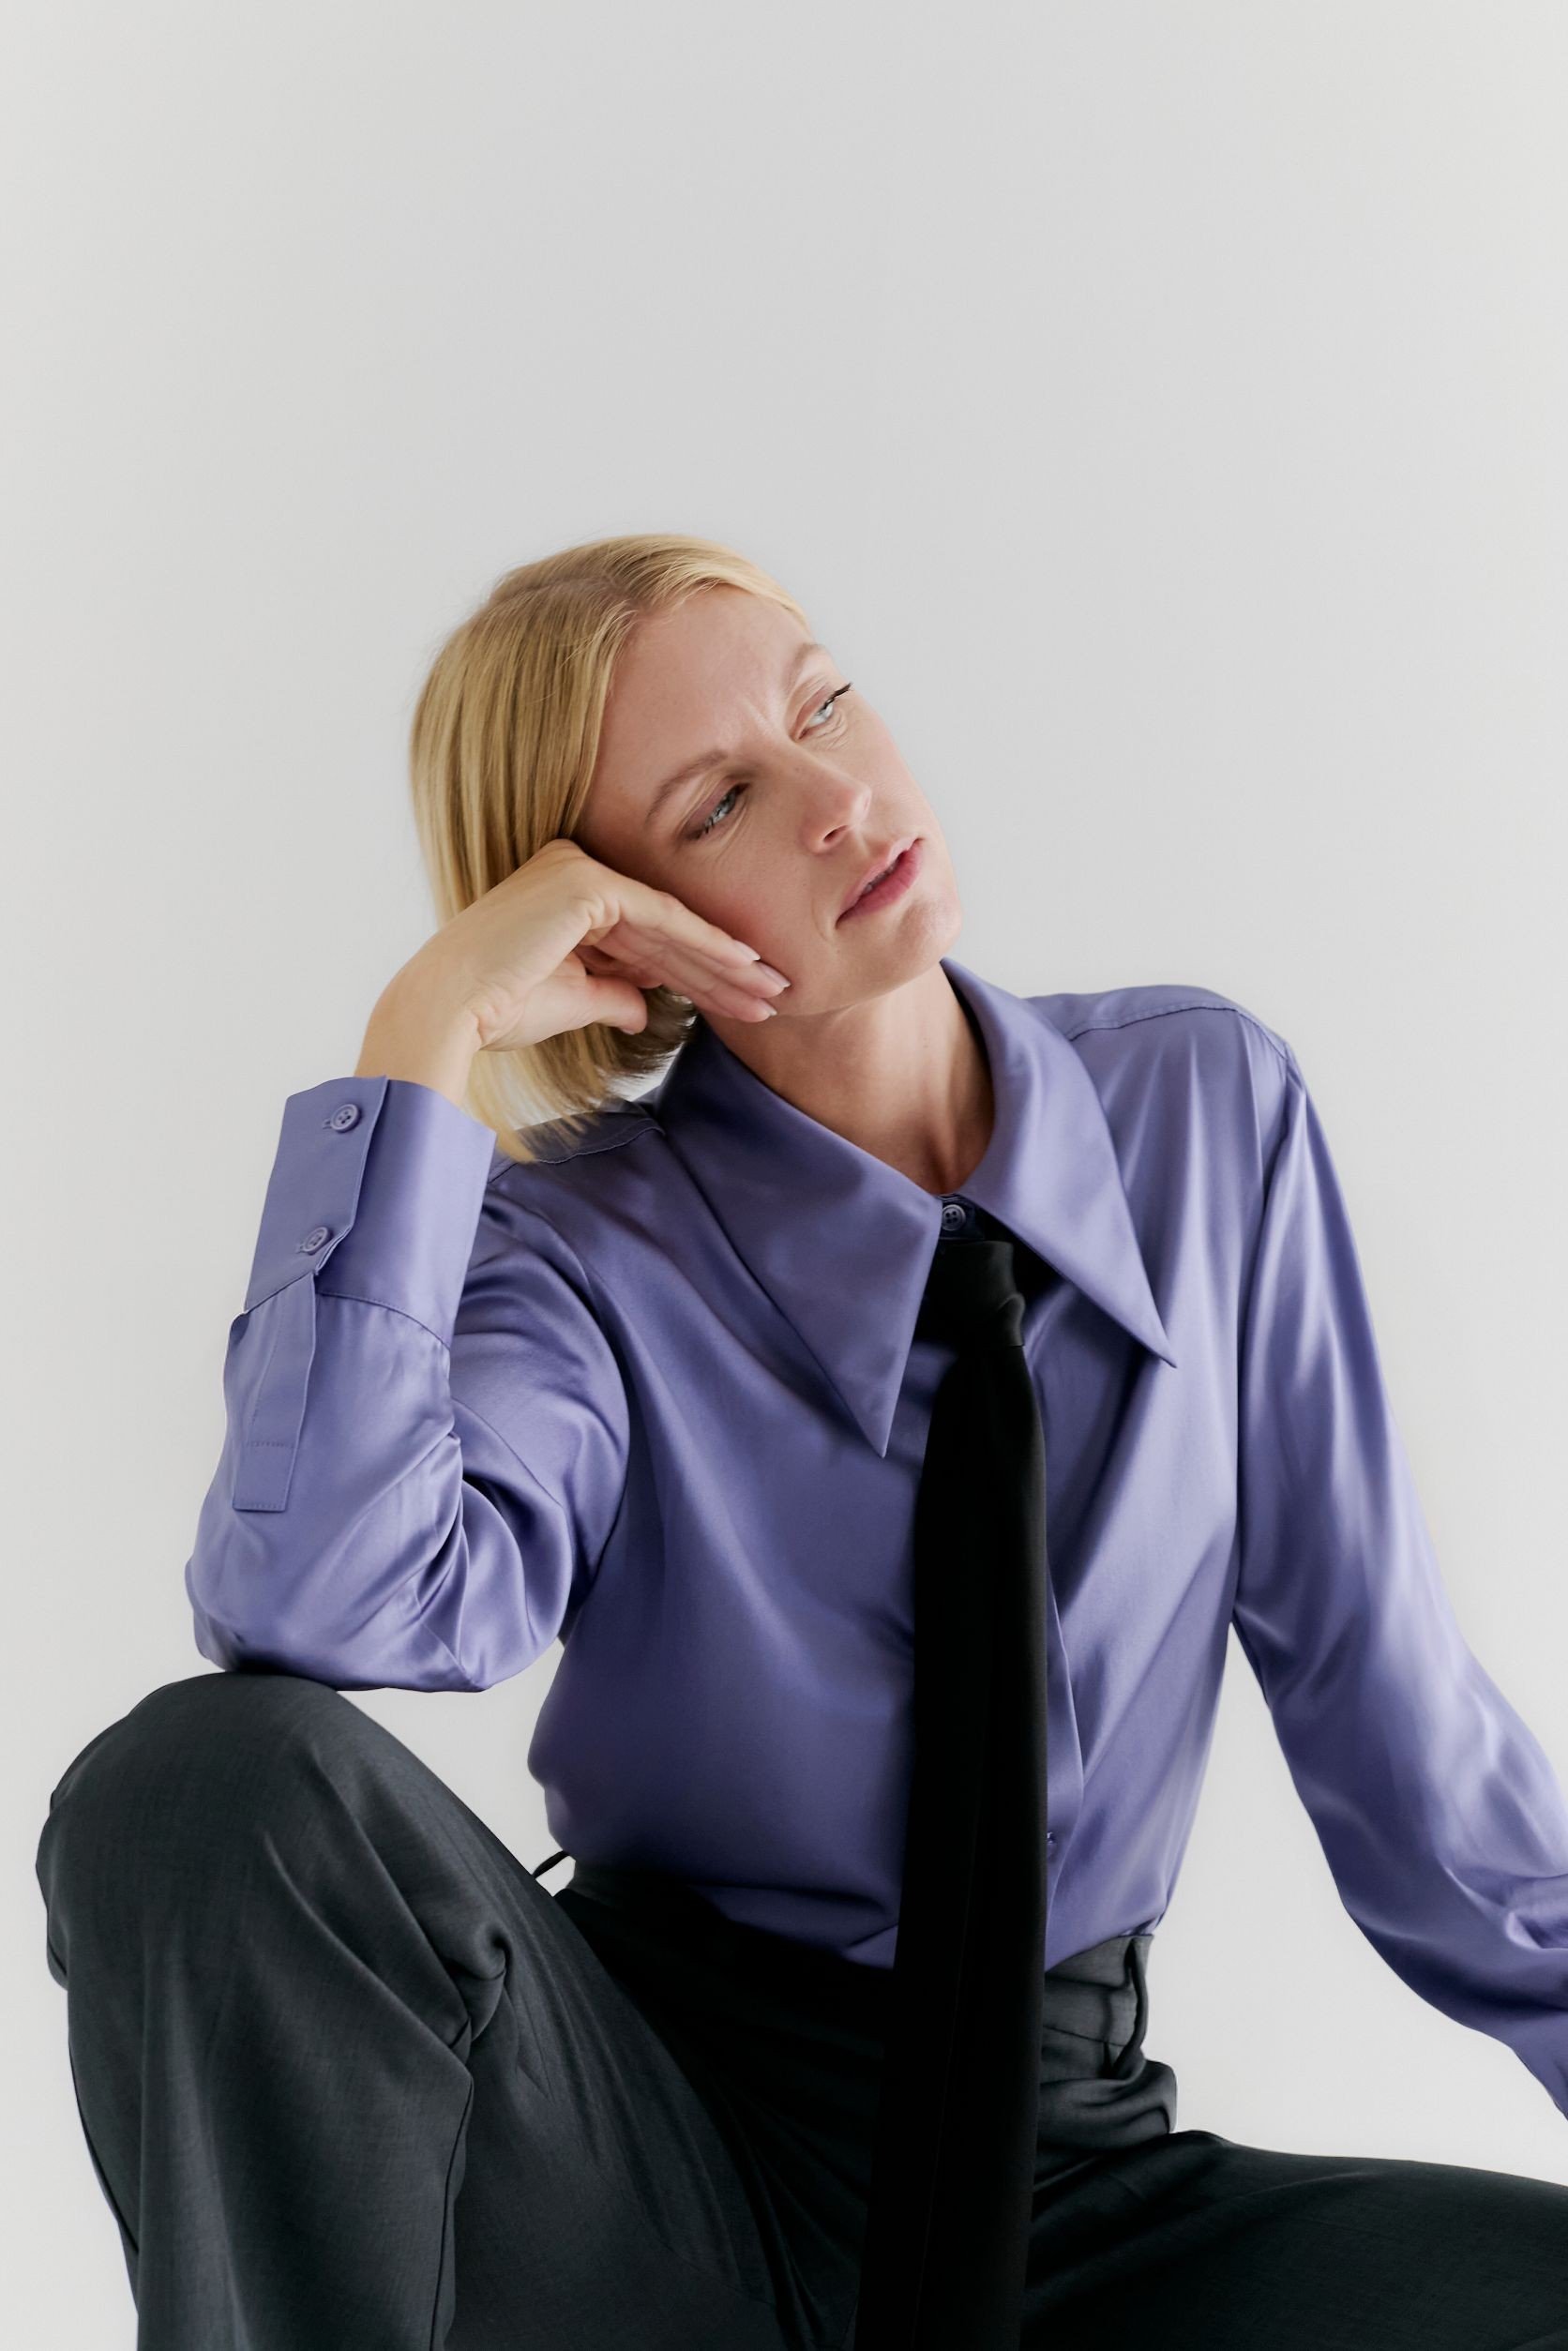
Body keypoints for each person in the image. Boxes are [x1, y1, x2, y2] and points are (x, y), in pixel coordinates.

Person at [36, 535, 1568, 2350]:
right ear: (616, 922)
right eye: (721, 802)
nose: (836, 799)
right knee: (201, 1782)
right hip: (652, 2178)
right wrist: (423, 1036)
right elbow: (324, 1607)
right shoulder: (574, 1249)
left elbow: (1404, 1747)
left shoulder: (1204, 1113)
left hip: (1075, 2190)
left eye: (823, 704)